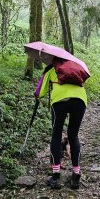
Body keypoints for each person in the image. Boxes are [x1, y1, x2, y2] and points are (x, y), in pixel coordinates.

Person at [36, 62, 87, 190]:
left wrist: (38, 95)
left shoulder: (51, 69)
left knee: (56, 135)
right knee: (73, 136)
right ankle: (75, 176)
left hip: (59, 101)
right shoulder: (75, 68)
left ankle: (56, 176)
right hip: (80, 100)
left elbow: (39, 92)